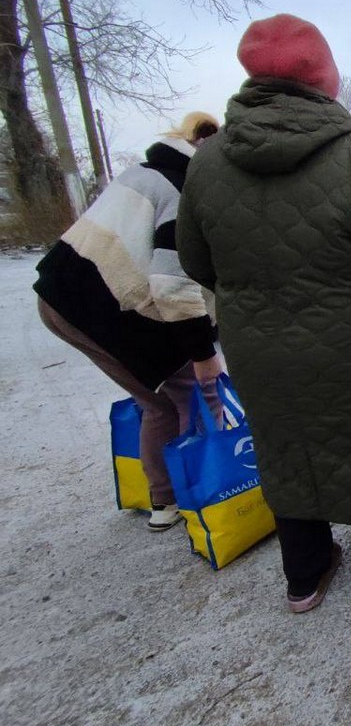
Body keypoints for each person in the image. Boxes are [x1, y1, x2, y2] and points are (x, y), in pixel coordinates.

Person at [177, 14, 351, 614]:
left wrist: (256, 300)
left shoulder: (206, 165)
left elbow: (196, 261)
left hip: (260, 352)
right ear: (323, 80)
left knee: (287, 446)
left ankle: (304, 580)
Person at [33, 112, 223, 531]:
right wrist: (203, 351)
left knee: (156, 396)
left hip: (62, 297)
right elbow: (173, 284)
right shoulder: (180, 191)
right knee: (183, 391)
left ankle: (166, 493)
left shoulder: (144, 172)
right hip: (102, 306)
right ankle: (187, 493)